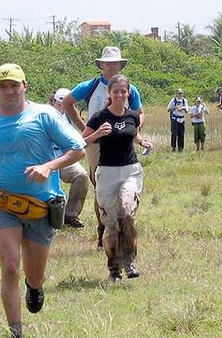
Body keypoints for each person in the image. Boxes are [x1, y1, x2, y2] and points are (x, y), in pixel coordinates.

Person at [0, 63, 86, 338]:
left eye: (14, 85)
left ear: (25, 86)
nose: (9, 91)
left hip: (41, 205)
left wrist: (49, 167)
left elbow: (78, 148)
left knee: (34, 273)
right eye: (2, 86)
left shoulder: (44, 115)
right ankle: (15, 330)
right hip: (1, 205)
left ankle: (35, 287)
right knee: (9, 265)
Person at [62, 46, 145, 250]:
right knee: (101, 186)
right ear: (101, 65)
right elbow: (67, 102)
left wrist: (133, 129)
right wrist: (84, 128)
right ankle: (103, 230)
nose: (111, 66)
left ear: (120, 65)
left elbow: (140, 113)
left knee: (125, 185)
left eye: (115, 62)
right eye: (108, 63)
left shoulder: (128, 88)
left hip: (121, 143)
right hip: (97, 143)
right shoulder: (89, 86)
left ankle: (122, 228)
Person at [82, 75, 152, 282]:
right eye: (116, 91)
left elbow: (134, 134)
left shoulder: (132, 116)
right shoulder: (99, 118)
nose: (120, 94)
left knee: (128, 213)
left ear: (128, 93)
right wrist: (96, 135)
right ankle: (114, 268)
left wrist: (142, 142)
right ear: (109, 94)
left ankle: (130, 260)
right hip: (107, 172)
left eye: (123, 91)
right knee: (111, 222)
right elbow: (79, 142)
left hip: (130, 169)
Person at [49, 88, 89, 228]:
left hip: (64, 156)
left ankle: (71, 215)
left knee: (81, 175)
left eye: (65, 104)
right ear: (53, 101)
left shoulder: (69, 117)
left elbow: (78, 140)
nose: (62, 107)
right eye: (59, 104)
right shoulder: (44, 115)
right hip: (45, 157)